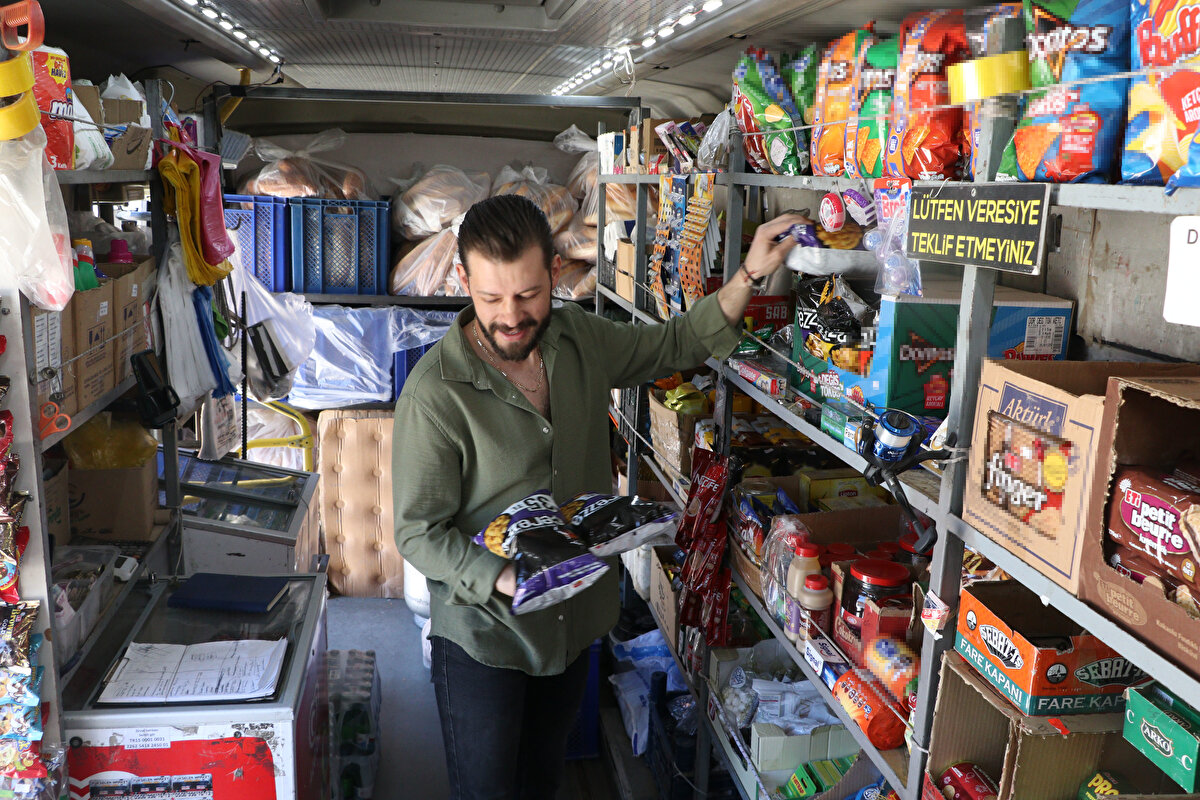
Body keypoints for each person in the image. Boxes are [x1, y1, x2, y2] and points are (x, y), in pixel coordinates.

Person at [393, 194, 803, 800]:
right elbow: (417, 532)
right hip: (486, 637)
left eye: (529, 295)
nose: (511, 317)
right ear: (462, 280)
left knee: (543, 782)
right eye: (490, 298)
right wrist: (506, 577)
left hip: (570, 624)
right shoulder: (435, 394)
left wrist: (749, 273)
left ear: (555, 272)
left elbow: (673, 345)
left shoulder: (578, 339)